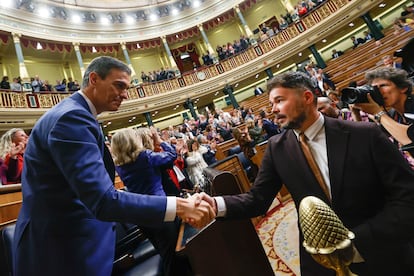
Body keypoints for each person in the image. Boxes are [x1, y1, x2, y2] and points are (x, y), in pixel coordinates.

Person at [12, 56, 215, 276]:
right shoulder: (72, 117)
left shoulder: (76, 115)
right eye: (119, 85)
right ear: (94, 79)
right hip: (60, 251)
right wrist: (180, 206)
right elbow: (102, 199)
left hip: (68, 243)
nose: (125, 94)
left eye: (127, 88)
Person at [200, 71, 414, 276]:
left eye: (279, 100)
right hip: (321, 265)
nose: (273, 109)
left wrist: (357, 242)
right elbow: (257, 199)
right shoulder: (277, 148)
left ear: (307, 97)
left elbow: (407, 197)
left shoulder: (363, 134)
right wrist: (214, 205)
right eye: (271, 103)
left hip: (381, 254)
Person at [111, 127, 192, 276]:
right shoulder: (144, 156)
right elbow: (172, 155)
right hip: (161, 209)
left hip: (141, 215)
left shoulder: (119, 165)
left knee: (164, 253)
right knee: (173, 256)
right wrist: (159, 140)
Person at [355, 67, 414, 163]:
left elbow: (410, 139)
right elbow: (370, 142)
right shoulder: (393, 114)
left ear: (403, 88)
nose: (378, 92)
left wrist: (378, 114)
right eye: (374, 88)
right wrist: (355, 113)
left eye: (383, 85)